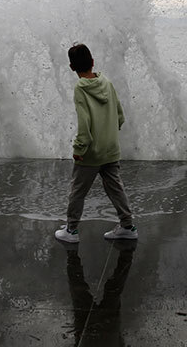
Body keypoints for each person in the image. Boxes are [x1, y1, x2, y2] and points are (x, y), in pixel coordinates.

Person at [55, 43, 138, 243]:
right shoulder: (107, 82)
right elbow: (120, 115)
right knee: (115, 188)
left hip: (91, 152)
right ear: (93, 62)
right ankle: (127, 226)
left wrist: (79, 148)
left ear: (71, 67)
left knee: (78, 191)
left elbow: (84, 124)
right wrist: (109, 133)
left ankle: (72, 230)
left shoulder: (80, 88)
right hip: (110, 148)